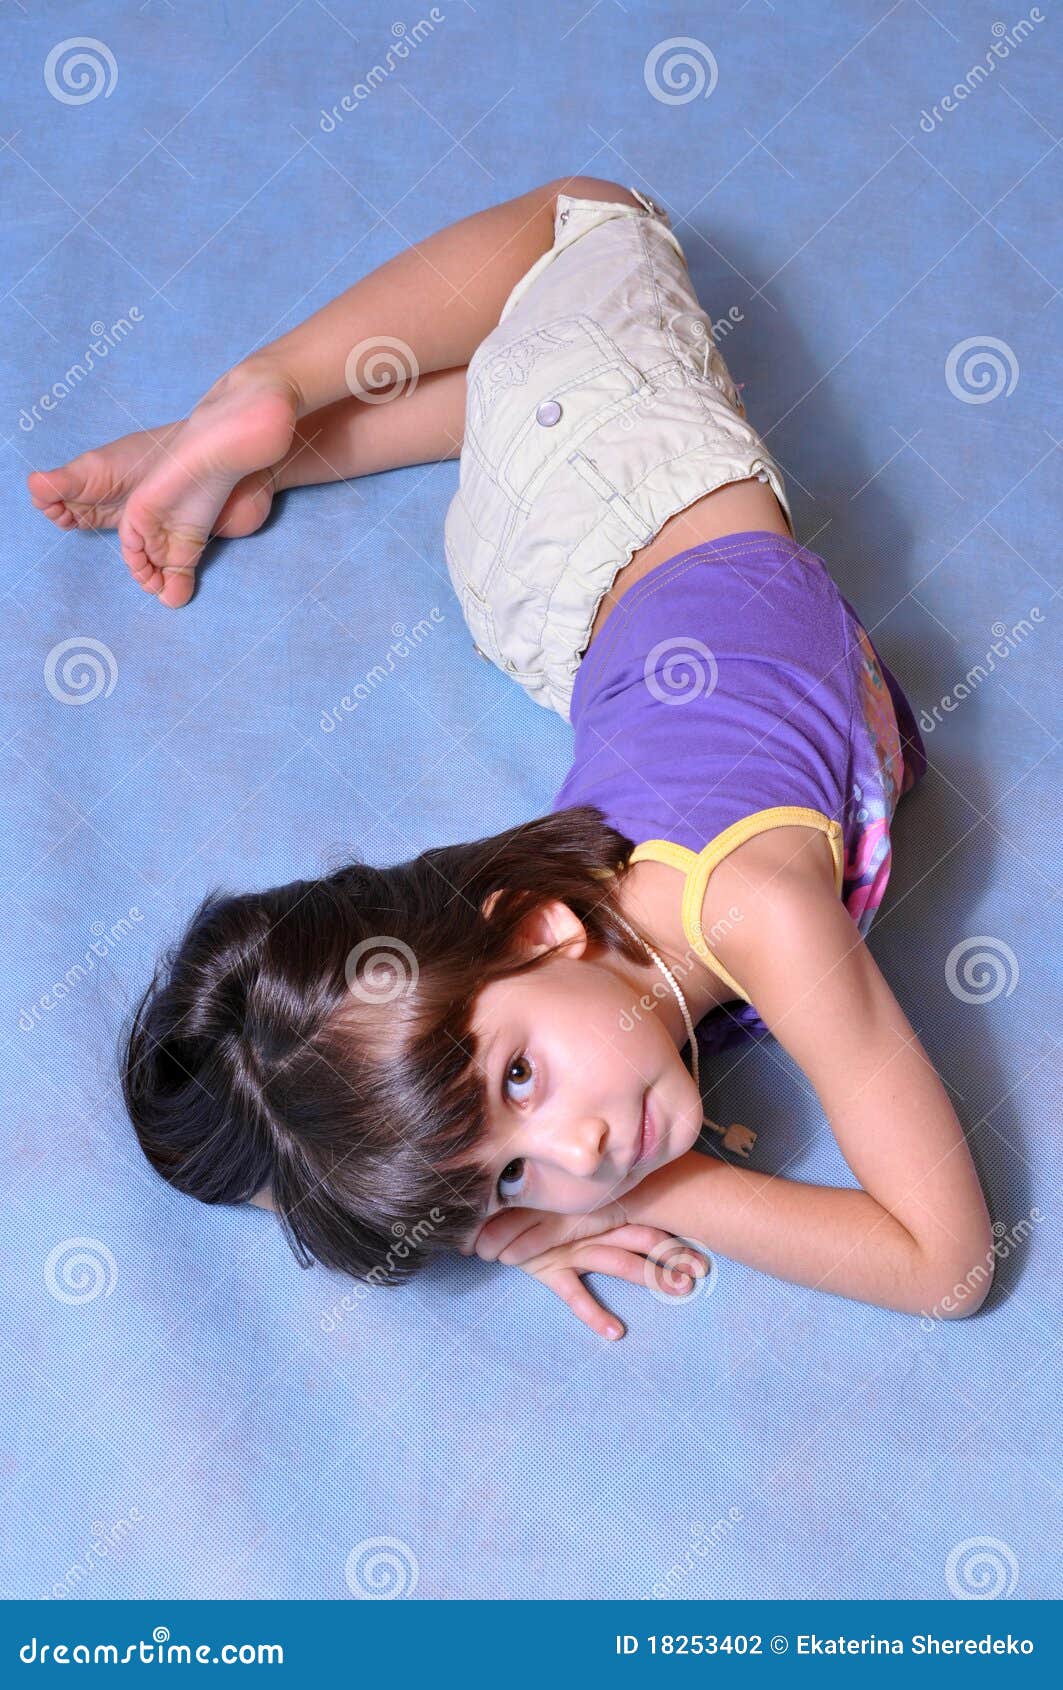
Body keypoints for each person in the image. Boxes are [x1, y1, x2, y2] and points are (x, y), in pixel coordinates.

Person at [29, 177, 994, 1337]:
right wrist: (499, 1195)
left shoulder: (757, 914)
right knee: (506, 388)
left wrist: (666, 1188)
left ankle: (265, 392)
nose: (580, 1150)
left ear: (538, 923)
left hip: (615, 480)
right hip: (553, 603)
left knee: (597, 221)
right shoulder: (586, 983)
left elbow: (945, 1268)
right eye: (510, 1178)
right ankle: (261, 465)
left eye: (518, 1083)